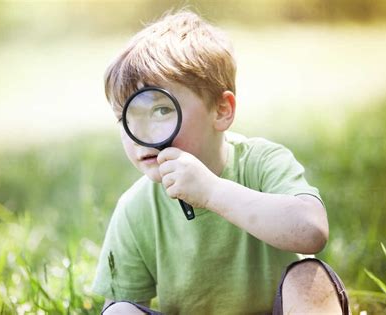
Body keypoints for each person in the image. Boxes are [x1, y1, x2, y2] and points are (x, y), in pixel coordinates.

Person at [92, 9, 349, 314]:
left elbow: (311, 232)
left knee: (310, 277)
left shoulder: (262, 162)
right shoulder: (136, 209)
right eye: (126, 118)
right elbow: (122, 306)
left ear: (222, 110)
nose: (139, 134)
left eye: (161, 111)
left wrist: (213, 192)